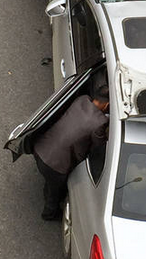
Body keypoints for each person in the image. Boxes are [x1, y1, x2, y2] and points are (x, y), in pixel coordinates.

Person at [32, 85, 109, 221]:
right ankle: (49, 214)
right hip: (55, 165)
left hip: (41, 148)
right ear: (107, 104)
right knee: (56, 193)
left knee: (51, 182)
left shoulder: (82, 100)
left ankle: (48, 187)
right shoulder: (100, 122)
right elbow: (99, 146)